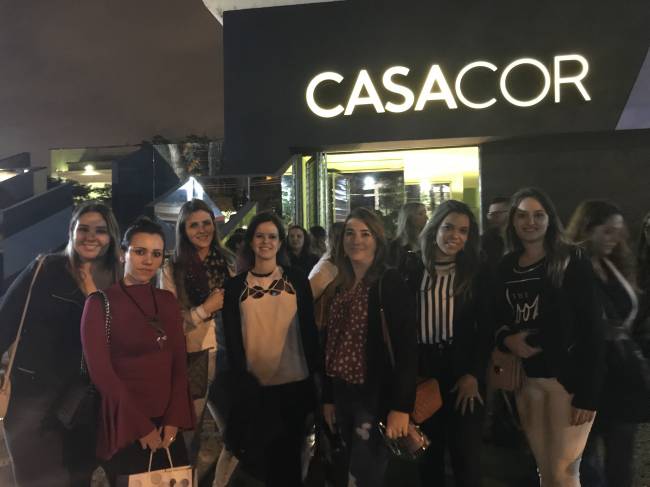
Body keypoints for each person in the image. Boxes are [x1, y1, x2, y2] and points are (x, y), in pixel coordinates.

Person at [0, 201, 121, 487]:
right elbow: (5, 320)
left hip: (85, 403)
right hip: (34, 396)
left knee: (77, 478)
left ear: (111, 236)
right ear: (71, 231)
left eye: (100, 230)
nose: (91, 236)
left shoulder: (118, 281)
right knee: (35, 479)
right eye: (83, 229)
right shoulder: (45, 268)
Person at [494, 188, 605, 487]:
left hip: (566, 381)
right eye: (522, 215)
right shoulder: (506, 266)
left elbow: (592, 328)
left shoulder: (571, 260)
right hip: (526, 381)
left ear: (550, 219)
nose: (530, 222)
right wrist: (507, 340)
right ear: (513, 221)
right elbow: (496, 317)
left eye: (538, 215)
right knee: (545, 473)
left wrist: (589, 393)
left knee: (565, 474)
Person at [81, 217, 195, 485]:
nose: (148, 261)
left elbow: (179, 363)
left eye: (156, 254)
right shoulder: (100, 303)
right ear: (123, 254)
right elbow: (102, 375)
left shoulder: (166, 301)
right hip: (126, 422)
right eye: (140, 251)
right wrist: (141, 426)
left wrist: (174, 418)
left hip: (167, 422)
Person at [217, 212, 319, 486]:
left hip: (295, 384)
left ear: (280, 242)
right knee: (260, 465)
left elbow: (309, 329)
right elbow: (233, 340)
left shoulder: (297, 280)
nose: (266, 242)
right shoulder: (235, 287)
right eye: (260, 236)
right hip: (256, 387)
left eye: (272, 236)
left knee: (292, 461)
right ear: (250, 241)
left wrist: (317, 379)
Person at [322, 207, 418, 487]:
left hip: (374, 397)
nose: (356, 240)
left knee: (364, 475)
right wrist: (328, 397)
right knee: (345, 470)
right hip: (342, 392)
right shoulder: (339, 285)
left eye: (365, 234)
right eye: (350, 233)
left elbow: (406, 348)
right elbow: (330, 344)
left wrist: (401, 406)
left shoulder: (389, 282)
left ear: (377, 240)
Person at [402, 200, 492, 487]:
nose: (455, 235)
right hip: (424, 371)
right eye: (449, 227)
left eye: (463, 231)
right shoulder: (412, 268)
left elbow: (485, 329)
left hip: (462, 371)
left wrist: (474, 373)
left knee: (466, 456)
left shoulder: (476, 272)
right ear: (435, 229)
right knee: (428, 453)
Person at [566, 201, 639, 487]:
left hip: (621, 376)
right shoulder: (572, 268)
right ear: (587, 229)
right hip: (590, 376)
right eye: (607, 231)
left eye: (618, 233)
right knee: (585, 459)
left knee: (621, 456)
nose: (614, 239)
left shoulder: (612, 264)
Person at [387, 202, 428, 273]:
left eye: (425, 213)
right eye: (420, 214)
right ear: (408, 218)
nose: (426, 217)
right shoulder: (395, 246)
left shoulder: (429, 241)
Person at [481, 196, 510, 270]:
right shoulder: (484, 240)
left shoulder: (521, 236)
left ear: (509, 213)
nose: (492, 217)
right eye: (490, 214)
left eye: (497, 214)